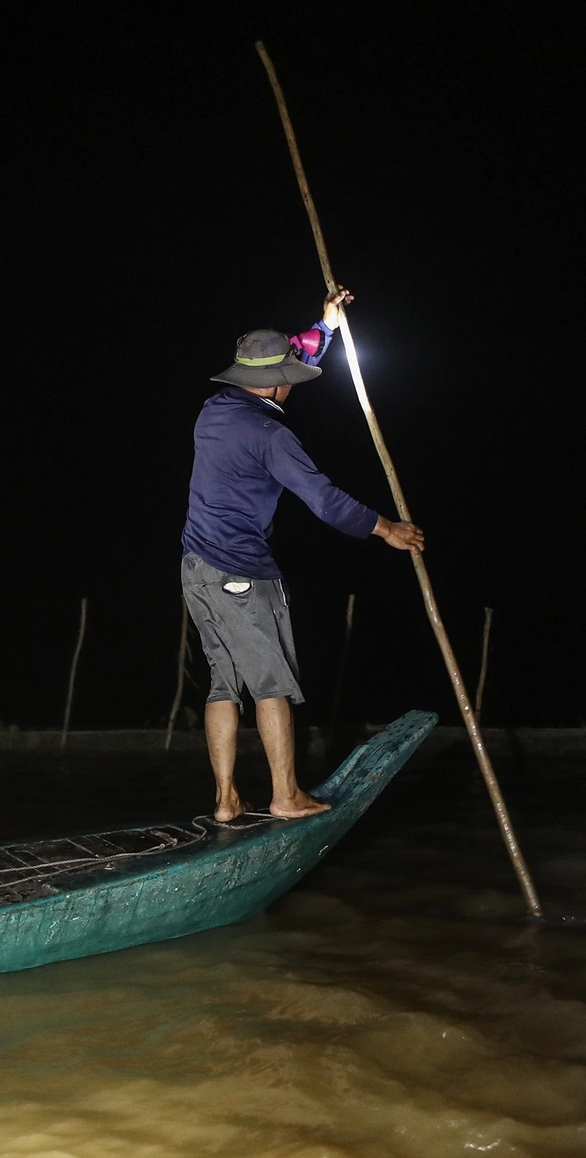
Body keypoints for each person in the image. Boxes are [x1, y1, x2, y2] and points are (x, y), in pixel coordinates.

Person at [181, 288, 425, 822]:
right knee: (272, 684)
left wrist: (327, 326)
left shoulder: (213, 410)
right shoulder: (272, 435)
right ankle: (285, 796)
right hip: (241, 571)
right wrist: (385, 528)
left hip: (195, 567)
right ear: (275, 383)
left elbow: (288, 352)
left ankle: (225, 799)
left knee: (223, 681)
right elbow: (325, 500)